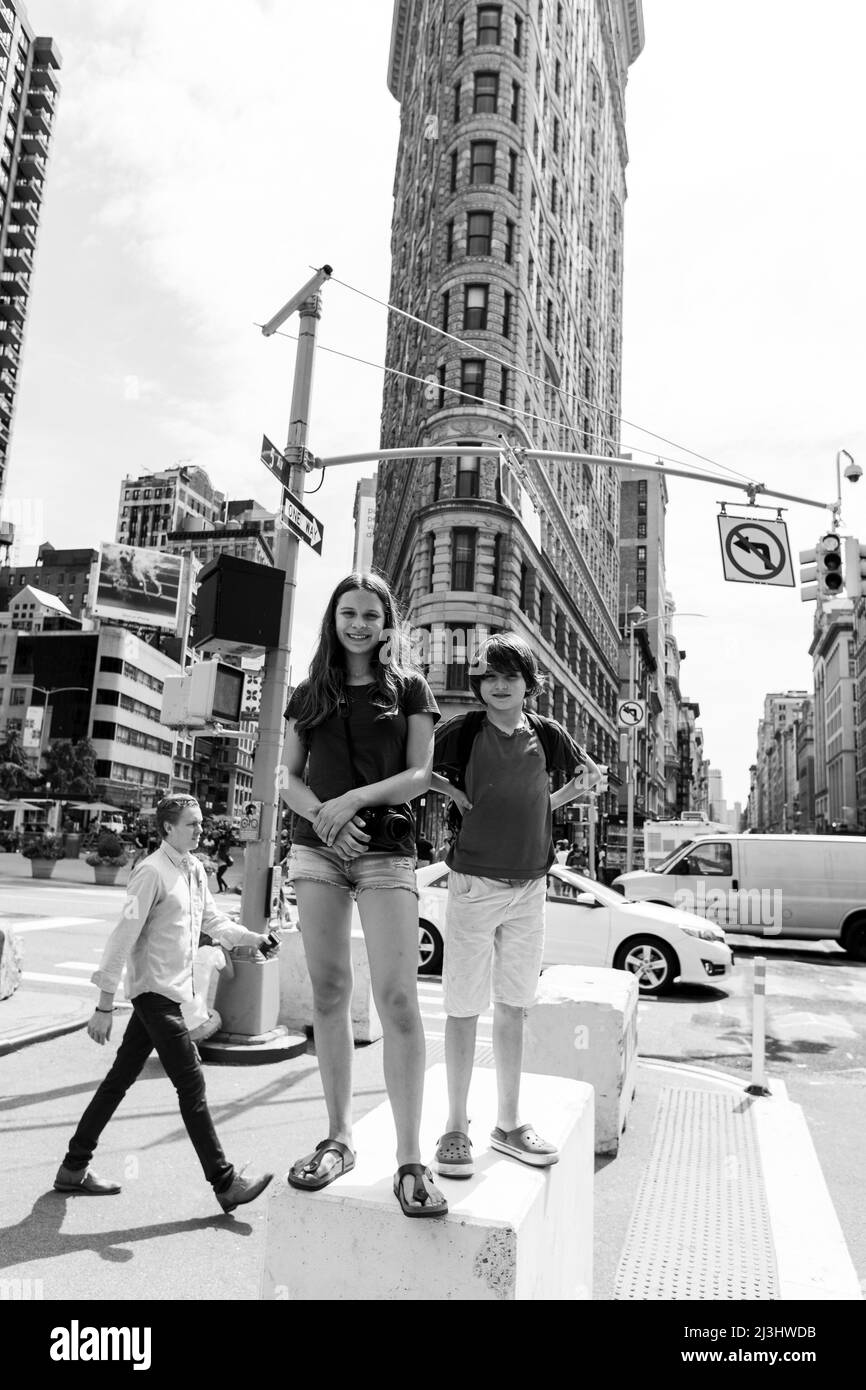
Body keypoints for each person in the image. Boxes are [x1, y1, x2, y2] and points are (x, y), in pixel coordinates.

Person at [281, 572, 448, 1218]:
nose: (359, 624)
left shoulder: (408, 687)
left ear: (387, 623)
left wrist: (351, 802)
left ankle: (410, 1160)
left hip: (386, 854)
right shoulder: (307, 692)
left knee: (398, 997)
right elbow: (287, 779)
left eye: (371, 615)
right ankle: (339, 1137)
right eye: (348, 613)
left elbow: (419, 774)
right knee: (329, 993)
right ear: (334, 619)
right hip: (317, 851)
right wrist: (326, 817)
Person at [428, 633, 601, 1179]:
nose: (500, 686)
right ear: (480, 684)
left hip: (531, 887)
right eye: (491, 677)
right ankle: (456, 1124)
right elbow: (417, 771)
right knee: (461, 1006)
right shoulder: (462, 731)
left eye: (511, 677)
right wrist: (457, 798)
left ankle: (508, 1123)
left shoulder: (547, 733)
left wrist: (547, 806)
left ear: (529, 685)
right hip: (473, 883)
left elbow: (590, 775)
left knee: (514, 1005)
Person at [53, 794, 274, 1215]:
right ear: (168, 828)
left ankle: (72, 1168)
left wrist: (253, 937)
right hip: (154, 995)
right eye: (191, 824)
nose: (200, 829)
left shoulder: (193, 869)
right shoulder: (150, 872)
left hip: (171, 994)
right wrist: (103, 1005)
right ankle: (225, 1183)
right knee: (191, 1085)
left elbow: (212, 921)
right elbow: (122, 936)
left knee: (118, 1080)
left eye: (201, 822)